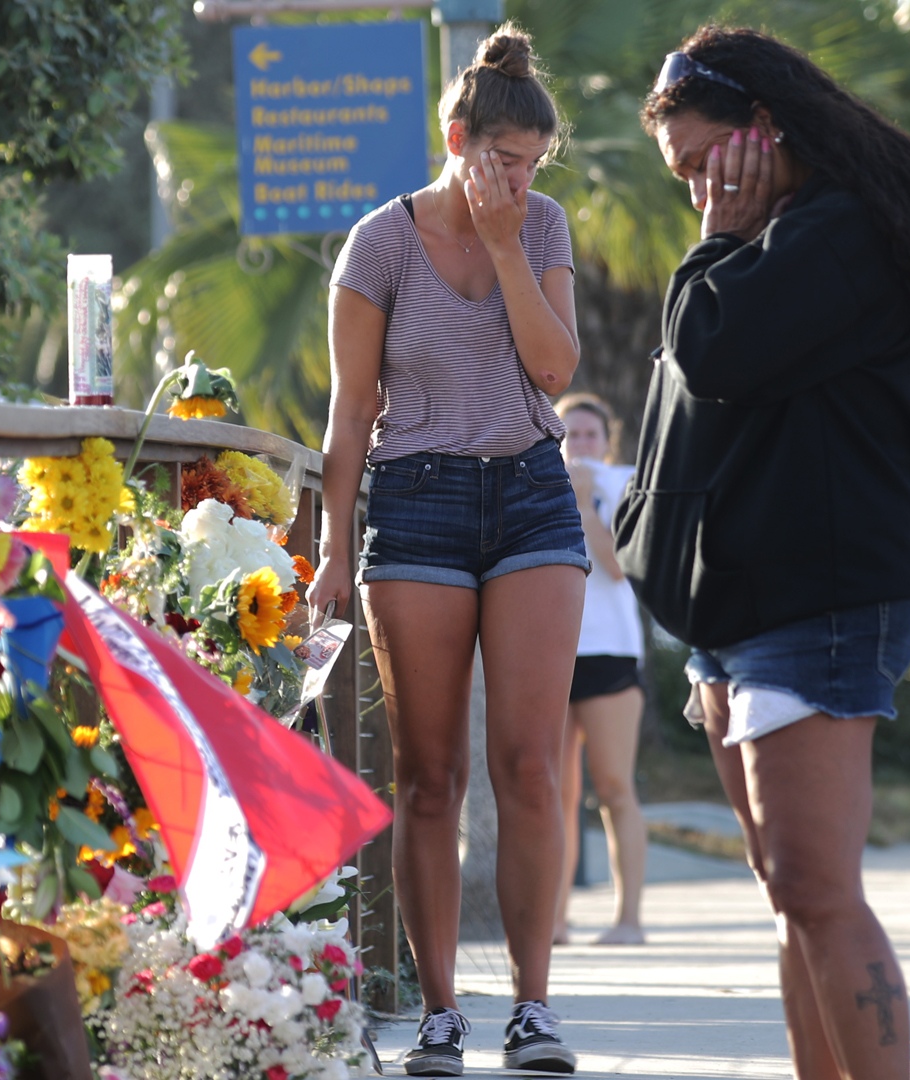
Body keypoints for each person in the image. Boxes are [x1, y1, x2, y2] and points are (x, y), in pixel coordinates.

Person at [615, 26, 910, 1080]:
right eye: (684, 176)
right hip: (754, 604)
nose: (697, 191)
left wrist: (718, 237)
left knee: (817, 890)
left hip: (815, 604)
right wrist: (732, 234)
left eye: (700, 164)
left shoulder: (837, 235)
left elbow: (714, 350)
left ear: (762, 132)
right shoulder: (790, 231)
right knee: (792, 891)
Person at [307, 22, 586, 1078]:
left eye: (530, 167)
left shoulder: (543, 227)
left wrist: (510, 240)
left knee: (526, 764)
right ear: (457, 135)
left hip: (530, 498)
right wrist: (336, 549)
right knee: (430, 775)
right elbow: (349, 411)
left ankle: (533, 1007)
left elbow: (556, 370)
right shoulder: (379, 242)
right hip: (415, 503)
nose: (517, 180)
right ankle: (437, 1014)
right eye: (502, 161)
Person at [549, 393, 646, 947]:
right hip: (551, 654)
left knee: (613, 786)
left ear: (608, 441)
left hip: (610, 655)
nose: (580, 444)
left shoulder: (628, 485)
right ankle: (554, 920)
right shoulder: (534, 481)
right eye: (569, 433)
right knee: (554, 791)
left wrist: (585, 505)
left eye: (589, 434)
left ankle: (628, 919)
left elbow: (618, 568)